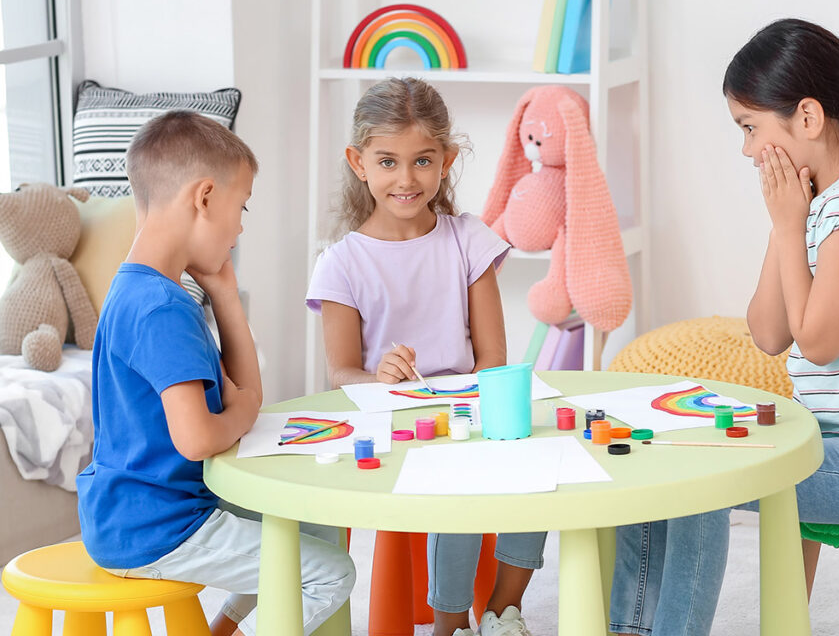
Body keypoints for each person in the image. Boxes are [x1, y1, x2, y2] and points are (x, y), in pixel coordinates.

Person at [610, 19, 839, 636]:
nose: (745, 149)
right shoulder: (819, 202)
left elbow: (818, 345)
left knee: (698, 481)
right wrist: (784, 224)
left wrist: (791, 226)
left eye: (750, 128)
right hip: (837, 446)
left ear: (808, 118)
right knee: (655, 461)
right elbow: (768, 334)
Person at [76, 110, 356, 636]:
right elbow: (199, 437)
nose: (242, 224)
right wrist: (244, 410)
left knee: (306, 522)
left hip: (145, 508)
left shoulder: (148, 290)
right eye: (241, 204)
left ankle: (221, 629)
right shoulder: (161, 309)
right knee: (330, 573)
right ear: (204, 197)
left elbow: (248, 392)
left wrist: (225, 294)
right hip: (157, 526)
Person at [305, 77, 544, 636]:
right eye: (387, 161)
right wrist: (378, 375)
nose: (406, 179)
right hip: (395, 425)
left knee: (540, 475)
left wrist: (473, 414)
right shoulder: (341, 263)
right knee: (452, 484)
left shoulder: (469, 240)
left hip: (467, 414)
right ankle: (448, 624)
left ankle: (502, 611)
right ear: (358, 162)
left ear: (447, 161)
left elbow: (492, 358)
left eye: (422, 161)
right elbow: (340, 371)